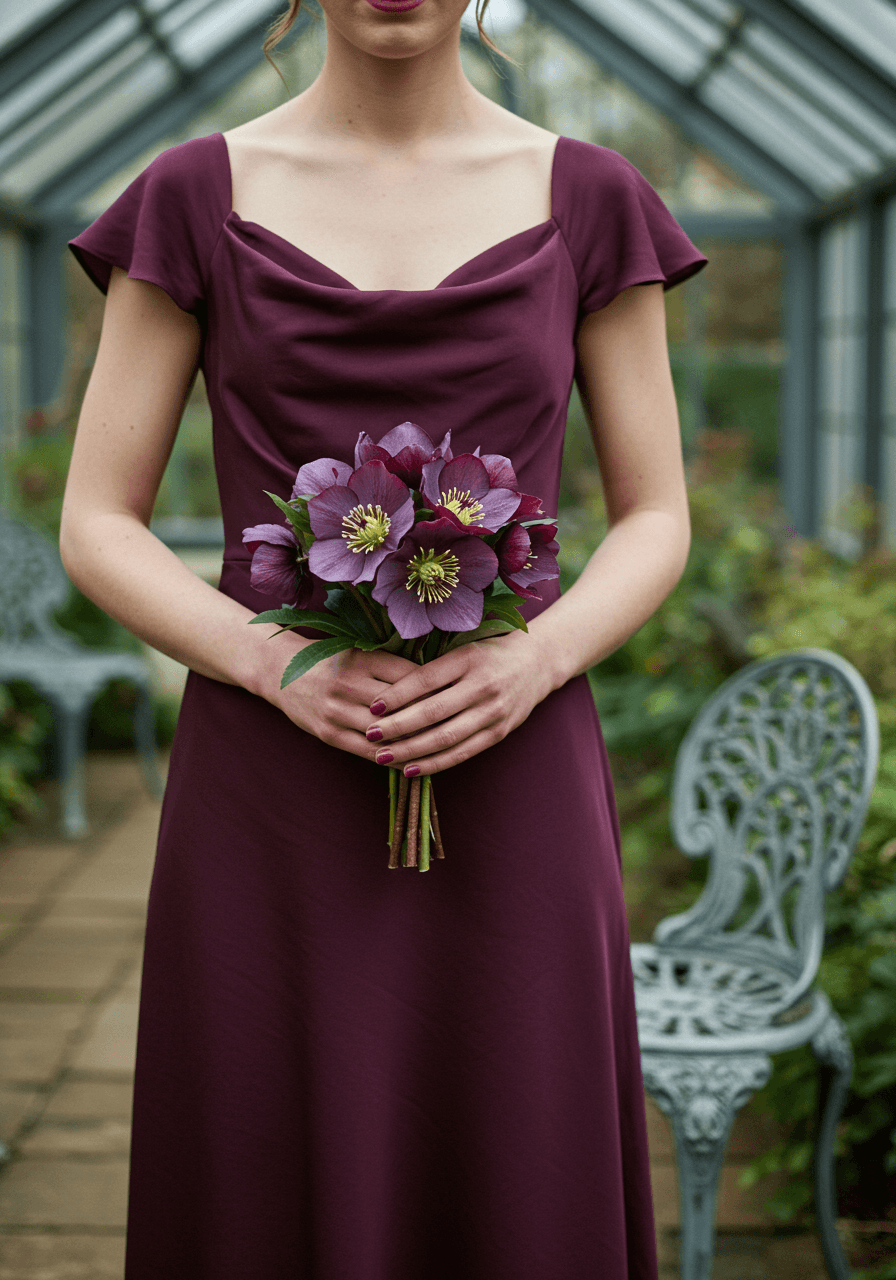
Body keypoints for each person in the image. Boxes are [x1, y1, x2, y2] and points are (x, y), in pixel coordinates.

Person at [61, 0, 706, 1273]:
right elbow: (97, 517)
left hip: (512, 760)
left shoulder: (591, 198)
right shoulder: (193, 194)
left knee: (519, 1148)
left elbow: (655, 513)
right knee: (263, 1143)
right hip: (270, 781)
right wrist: (264, 659)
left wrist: (533, 658)